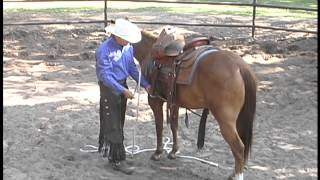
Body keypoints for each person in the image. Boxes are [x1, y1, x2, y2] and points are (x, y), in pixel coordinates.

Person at [95, 18, 151, 175]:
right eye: (126, 38)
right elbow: (105, 75)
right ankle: (118, 160)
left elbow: (132, 68)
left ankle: (115, 155)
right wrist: (122, 90)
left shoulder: (127, 48)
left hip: (121, 86)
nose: (128, 41)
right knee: (113, 123)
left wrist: (145, 84)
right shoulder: (103, 50)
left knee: (119, 121)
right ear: (117, 36)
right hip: (109, 90)